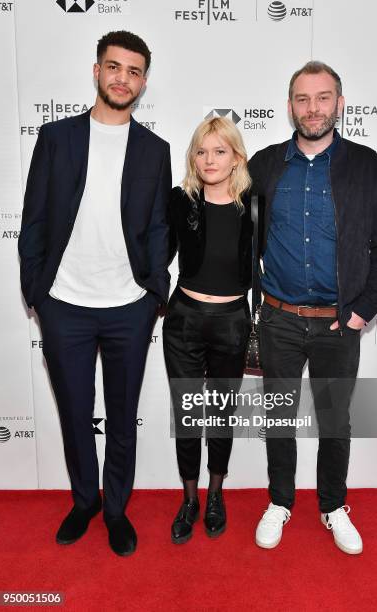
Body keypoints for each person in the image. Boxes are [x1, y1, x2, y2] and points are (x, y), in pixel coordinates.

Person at [18, 31, 171, 556]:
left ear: (143, 81)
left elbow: (157, 229)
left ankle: (115, 509)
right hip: (64, 305)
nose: (121, 78)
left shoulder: (155, 150)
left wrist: (154, 292)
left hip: (130, 306)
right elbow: (34, 220)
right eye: (113, 67)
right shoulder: (56, 138)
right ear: (97, 71)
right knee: (75, 413)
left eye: (133, 70)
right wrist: (36, 292)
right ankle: (85, 501)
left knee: (123, 417)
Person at [248, 61, 377, 554]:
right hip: (279, 319)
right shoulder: (265, 165)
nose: (312, 108)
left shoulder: (367, 165)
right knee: (278, 418)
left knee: (336, 421)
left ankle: (333, 506)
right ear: (290, 105)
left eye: (322, 97)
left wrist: (363, 311)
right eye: (302, 98)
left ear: (339, 102)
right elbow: (238, 235)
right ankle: (280, 501)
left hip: (339, 324)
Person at [164, 117, 252, 544]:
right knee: (187, 414)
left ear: (236, 156)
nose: (209, 159)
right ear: (192, 157)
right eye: (201, 151)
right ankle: (189, 498)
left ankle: (216, 495)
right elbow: (156, 252)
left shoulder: (254, 203)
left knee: (220, 414)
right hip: (183, 321)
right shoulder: (180, 200)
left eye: (219, 151)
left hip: (233, 322)